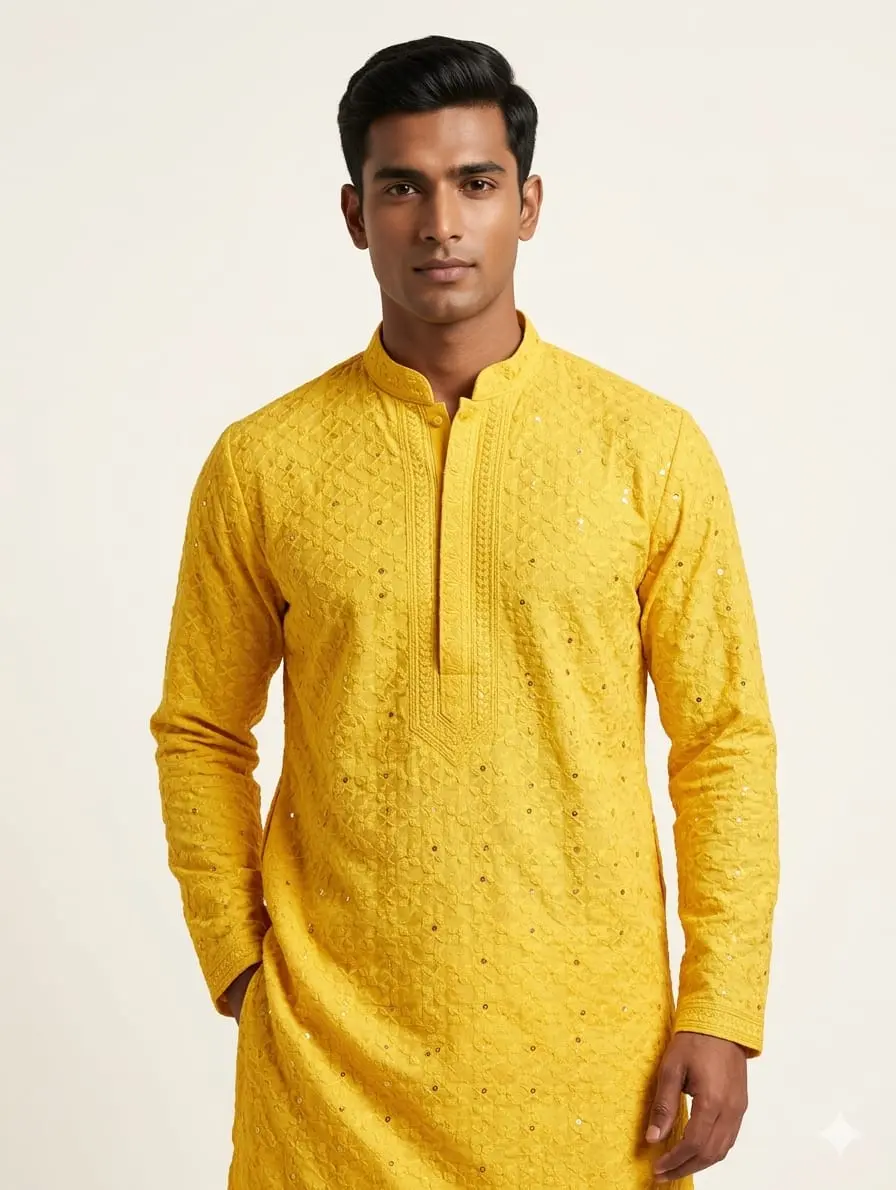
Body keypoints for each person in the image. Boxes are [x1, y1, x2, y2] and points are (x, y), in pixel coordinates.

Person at [149, 33, 779, 1190]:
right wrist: (236, 953)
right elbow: (200, 727)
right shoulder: (263, 462)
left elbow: (721, 737)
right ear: (355, 214)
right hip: (326, 1061)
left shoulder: (646, 449)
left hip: (593, 1059)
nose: (440, 222)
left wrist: (722, 999)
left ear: (525, 204)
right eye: (402, 187)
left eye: (475, 183)